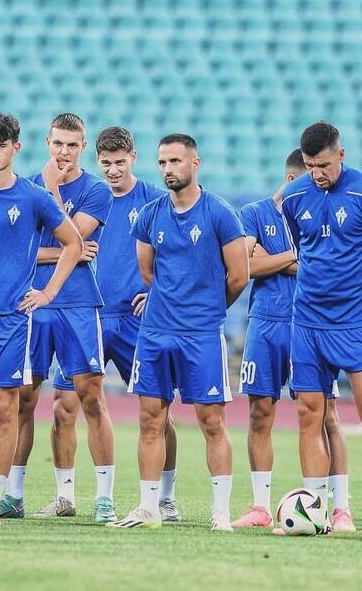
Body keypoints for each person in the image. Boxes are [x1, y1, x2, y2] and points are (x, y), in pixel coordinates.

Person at [109, 133, 248, 530]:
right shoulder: (151, 215)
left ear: (194, 163)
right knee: (150, 419)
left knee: (212, 422)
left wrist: (207, 308)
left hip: (201, 334)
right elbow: (148, 272)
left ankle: (220, 512)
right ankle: (148, 507)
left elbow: (239, 275)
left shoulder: (220, 213)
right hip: (154, 334)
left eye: (175, 161)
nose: (169, 169)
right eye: (163, 163)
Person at [0, 113, 83, 525]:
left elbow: (74, 244)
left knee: (6, 409)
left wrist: (47, 293)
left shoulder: (33, 196)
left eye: (2, 145)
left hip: (12, 321)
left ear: (16, 148)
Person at [280, 121, 362, 523]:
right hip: (308, 322)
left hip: (356, 323)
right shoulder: (293, 196)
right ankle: (313, 510)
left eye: (324, 165)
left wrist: (360, 293)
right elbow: (301, 249)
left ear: (341, 155)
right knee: (308, 413)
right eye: (311, 166)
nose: (318, 174)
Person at [1, 113, 117, 524]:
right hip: (33, 304)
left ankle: (104, 498)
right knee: (23, 399)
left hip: (78, 305)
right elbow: (28, 251)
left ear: (82, 147)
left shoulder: (95, 191)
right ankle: (12, 494)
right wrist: (67, 250)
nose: (64, 152)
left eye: (71, 145)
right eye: (57, 144)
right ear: (46, 144)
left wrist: (51, 197)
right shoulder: (22, 187)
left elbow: (78, 236)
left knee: (90, 397)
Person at [232, 149, 354, 531]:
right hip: (265, 324)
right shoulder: (254, 213)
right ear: (292, 181)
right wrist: (293, 256)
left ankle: (340, 508)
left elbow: (328, 268)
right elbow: (246, 267)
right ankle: (260, 507)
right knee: (259, 413)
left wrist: (274, 258)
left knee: (325, 416)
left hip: (312, 325)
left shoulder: (323, 215)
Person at [92, 125, 181, 521]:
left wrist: (157, 292)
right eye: (106, 163)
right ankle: (76, 496)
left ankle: (165, 497)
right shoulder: (87, 198)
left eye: (119, 162)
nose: (113, 170)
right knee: (65, 405)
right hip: (91, 315)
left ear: (133, 158)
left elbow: (176, 256)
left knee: (158, 412)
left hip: (137, 321)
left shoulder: (154, 201)